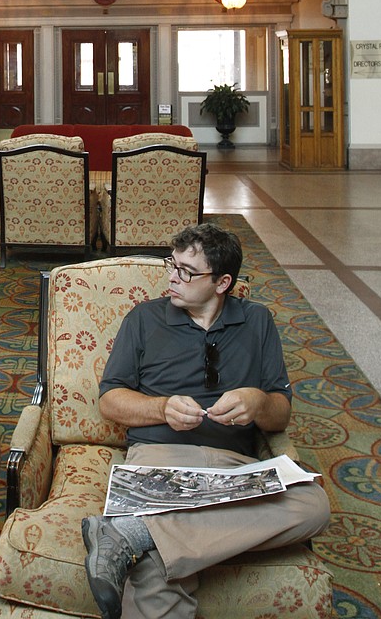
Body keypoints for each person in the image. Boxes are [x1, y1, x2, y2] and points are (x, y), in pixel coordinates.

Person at [81, 223, 330, 619]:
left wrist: (258, 401)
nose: (172, 278)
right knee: (157, 575)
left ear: (222, 282)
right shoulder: (144, 318)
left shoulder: (257, 321)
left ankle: (134, 533)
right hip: (159, 458)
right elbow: (110, 401)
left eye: (186, 271)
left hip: (235, 469)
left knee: (314, 504)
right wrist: (161, 408)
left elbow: (280, 413)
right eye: (171, 264)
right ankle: (149, 533)